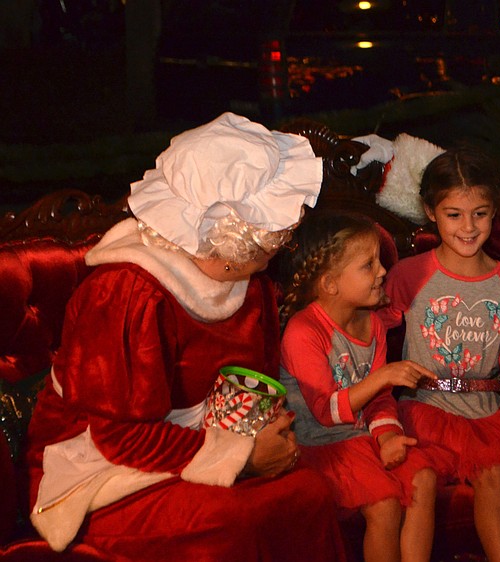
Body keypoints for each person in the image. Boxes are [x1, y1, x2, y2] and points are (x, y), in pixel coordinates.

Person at [25, 112, 348, 562]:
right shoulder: (127, 293)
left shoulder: (250, 282)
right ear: (236, 233)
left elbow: (254, 388)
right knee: (229, 520)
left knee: (307, 492)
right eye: (279, 227)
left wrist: (266, 434)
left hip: (198, 448)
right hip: (99, 467)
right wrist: (242, 457)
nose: (287, 234)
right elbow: (117, 437)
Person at [378, 148, 500, 562]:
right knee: (494, 472)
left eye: (480, 214)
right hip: (428, 408)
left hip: (490, 410)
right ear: (430, 211)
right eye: (454, 215)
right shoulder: (410, 275)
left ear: (493, 212)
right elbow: (371, 333)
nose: (468, 227)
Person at [277, 210, 445, 562]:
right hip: (320, 447)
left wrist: (387, 437)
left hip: (361, 439)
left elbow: (380, 401)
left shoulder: (373, 324)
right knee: (384, 503)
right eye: (368, 265)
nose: (382, 271)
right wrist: (382, 377)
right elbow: (326, 412)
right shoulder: (304, 331)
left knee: (424, 477)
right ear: (330, 284)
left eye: (379, 261)